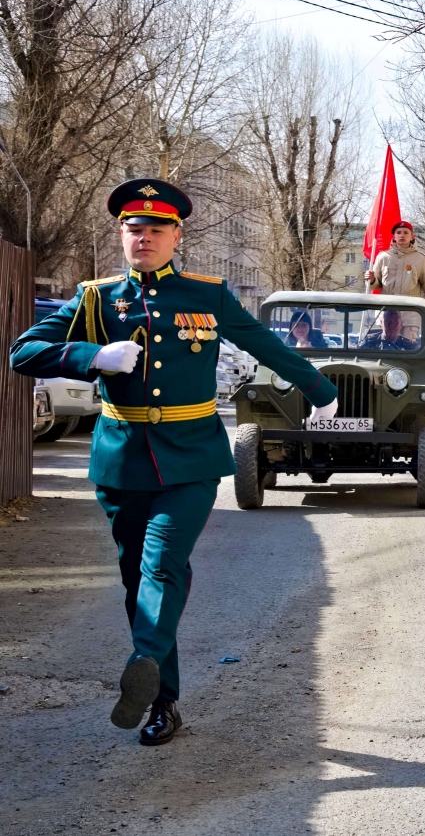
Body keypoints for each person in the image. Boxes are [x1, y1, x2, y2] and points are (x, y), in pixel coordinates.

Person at [9, 178, 339, 746]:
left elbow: (264, 342)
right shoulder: (94, 297)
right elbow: (23, 352)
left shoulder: (206, 295)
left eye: (156, 230)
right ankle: (164, 702)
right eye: (134, 229)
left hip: (191, 458)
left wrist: (317, 386)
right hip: (121, 460)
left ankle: (142, 666)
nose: (144, 238)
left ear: (176, 236)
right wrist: (92, 356)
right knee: (141, 582)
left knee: (162, 566)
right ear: (122, 234)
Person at [365, 220, 425, 341]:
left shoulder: (420, 259)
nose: (402, 235)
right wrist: (372, 279)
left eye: (406, 232)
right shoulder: (383, 257)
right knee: (387, 349)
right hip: (387, 315)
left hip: (410, 315)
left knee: (408, 350)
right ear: (394, 237)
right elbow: (374, 285)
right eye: (398, 232)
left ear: (412, 237)